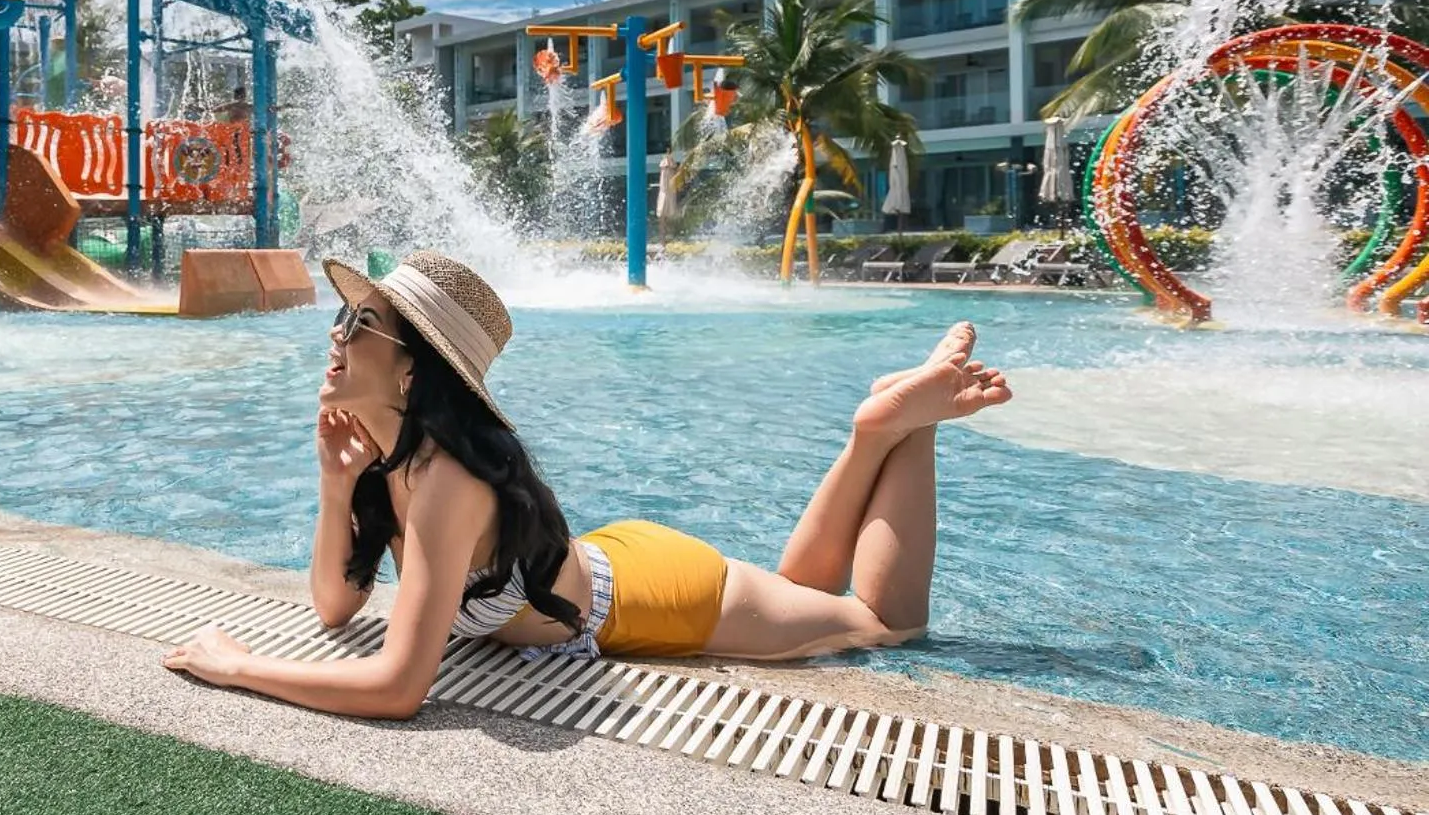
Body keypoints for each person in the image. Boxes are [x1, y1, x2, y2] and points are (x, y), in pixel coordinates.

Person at [164, 251, 1011, 719]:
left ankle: (895, 430)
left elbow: (398, 688)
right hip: (609, 563)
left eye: (362, 323)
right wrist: (334, 487)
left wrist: (241, 668)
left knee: (883, 624)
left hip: (655, 598)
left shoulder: (448, 483)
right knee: (805, 594)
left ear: (414, 370)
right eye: (342, 316)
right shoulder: (389, 469)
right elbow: (335, 609)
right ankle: (880, 433)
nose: (337, 334)